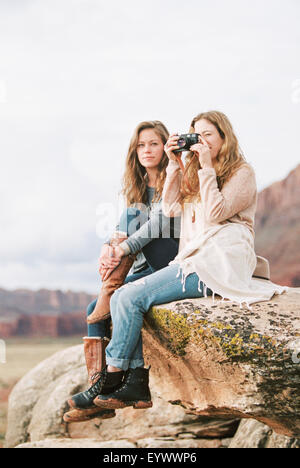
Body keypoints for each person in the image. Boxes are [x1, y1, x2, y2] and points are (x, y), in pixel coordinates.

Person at [67, 110, 288, 414]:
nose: (202, 140)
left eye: (209, 134)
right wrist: (174, 164)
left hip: (220, 261)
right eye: (197, 134)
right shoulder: (193, 172)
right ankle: (132, 384)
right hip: (194, 259)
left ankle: (112, 377)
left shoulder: (242, 172)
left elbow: (215, 213)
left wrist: (207, 167)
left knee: (129, 296)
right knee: (122, 296)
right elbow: (169, 208)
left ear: (225, 138)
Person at [63, 120, 180, 422]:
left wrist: (120, 248)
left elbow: (160, 225)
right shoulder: (138, 187)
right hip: (145, 265)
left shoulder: (176, 176)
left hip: (170, 260)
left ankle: (111, 382)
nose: (147, 150)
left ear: (165, 146)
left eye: (153, 143)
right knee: (96, 308)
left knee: (133, 216)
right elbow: (120, 229)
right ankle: (100, 392)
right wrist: (109, 245)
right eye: (141, 145)